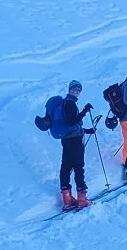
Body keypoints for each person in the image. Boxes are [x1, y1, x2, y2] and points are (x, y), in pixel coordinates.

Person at [40, 80, 96, 210]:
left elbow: (70, 125)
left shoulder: (65, 103)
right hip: (75, 141)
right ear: (70, 89)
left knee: (65, 167)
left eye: (78, 90)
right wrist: (85, 111)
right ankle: (82, 199)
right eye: (75, 89)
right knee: (78, 167)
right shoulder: (70, 103)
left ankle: (67, 199)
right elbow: (72, 122)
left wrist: (86, 131)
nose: (76, 92)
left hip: (66, 140)